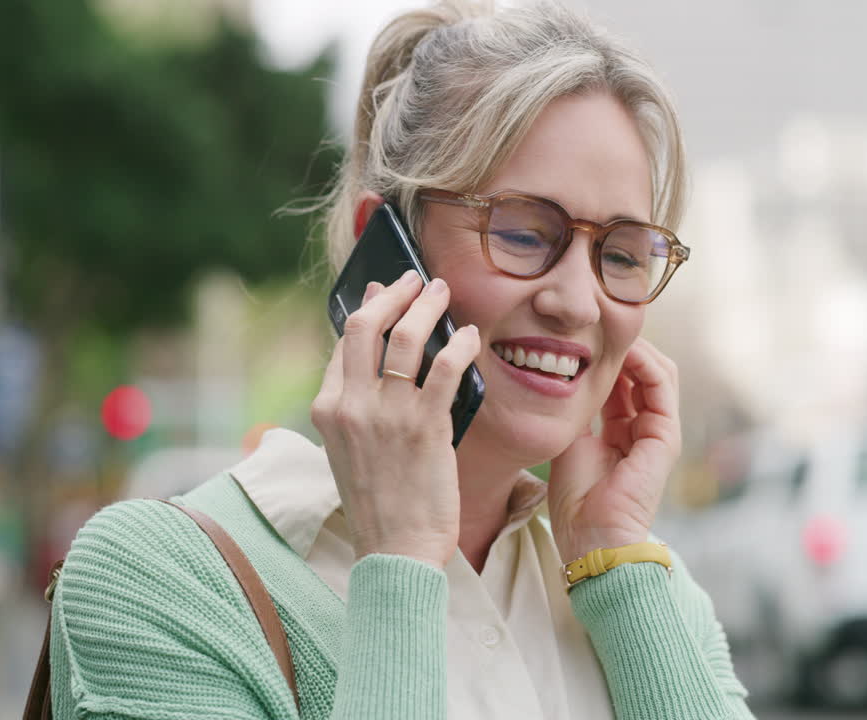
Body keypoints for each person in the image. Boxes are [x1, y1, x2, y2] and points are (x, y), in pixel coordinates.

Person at [47, 2, 754, 718]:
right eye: (521, 232)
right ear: (381, 247)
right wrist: (402, 561)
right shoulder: (158, 577)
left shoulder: (652, 594)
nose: (577, 301)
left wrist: (611, 561)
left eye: (624, 253)